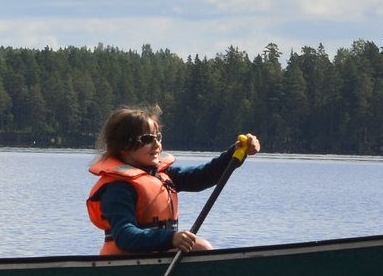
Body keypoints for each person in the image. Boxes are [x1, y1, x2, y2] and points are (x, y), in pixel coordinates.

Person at [85, 105, 262, 255]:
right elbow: (125, 236)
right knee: (200, 248)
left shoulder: (164, 175)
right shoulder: (118, 188)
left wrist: (236, 152)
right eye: (147, 139)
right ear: (123, 146)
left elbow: (203, 176)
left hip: (155, 259)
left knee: (200, 248)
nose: (157, 145)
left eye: (158, 137)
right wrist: (170, 238)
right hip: (128, 266)